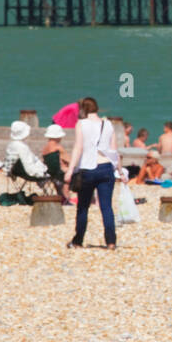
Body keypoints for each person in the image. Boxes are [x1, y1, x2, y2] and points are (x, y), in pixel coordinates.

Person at [62, 98, 122, 249]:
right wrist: (120, 171)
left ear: (83, 109)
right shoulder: (108, 124)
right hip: (106, 167)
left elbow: (78, 147)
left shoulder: (81, 124)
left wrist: (70, 170)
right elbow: (114, 150)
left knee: (83, 206)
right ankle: (111, 242)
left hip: (88, 168)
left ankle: (77, 241)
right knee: (106, 207)